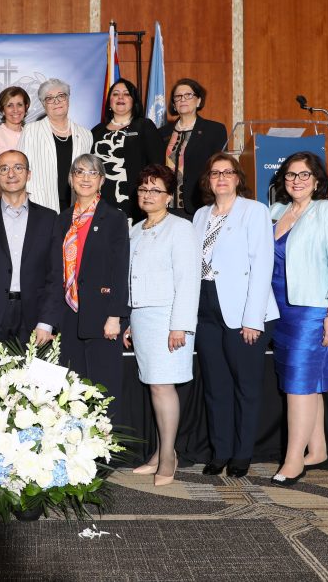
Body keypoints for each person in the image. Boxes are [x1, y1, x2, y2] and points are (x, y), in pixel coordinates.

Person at [268, 151, 328, 486]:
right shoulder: (275, 212)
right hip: (280, 310)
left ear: (317, 180)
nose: (297, 181)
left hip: (314, 311)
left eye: (304, 175)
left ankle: (293, 460)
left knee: (298, 385)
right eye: (291, 175)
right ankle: (317, 450)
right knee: (306, 384)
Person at [192, 154, 278, 479]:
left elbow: (262, 265)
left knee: (246, 388)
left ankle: (242, 454)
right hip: (206, 308)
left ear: (238, 178)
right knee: (216, 387)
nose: (221, 177)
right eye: (215, 173)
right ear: (208, 180)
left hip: (244, 312)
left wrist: (253, 319)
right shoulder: (200, 215)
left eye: (228, 172)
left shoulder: (254, 211)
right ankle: (221, 452)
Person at [123, 164, 200, 487]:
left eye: (155, 190)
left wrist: (179, 325)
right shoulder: (136, 229)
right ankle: (158, 453)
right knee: (154, 386)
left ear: (169, 196)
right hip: (142, 317)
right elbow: (132, 278)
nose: (147, 195)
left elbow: (188, 280)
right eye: (143, 189)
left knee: (162, 387)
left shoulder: (180, 228)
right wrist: (129, 320)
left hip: (169, 318)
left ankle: (168, 457)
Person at [53, 153, 129, 425]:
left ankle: (105, 445)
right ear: (71, 179)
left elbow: (120, 269)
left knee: (104, 389)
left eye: (92, 173)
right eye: (79, 172)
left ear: (102, 180)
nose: (85, 178)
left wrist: (115, 315)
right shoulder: (62, 220)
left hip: (102, 316)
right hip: (69, 314)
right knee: (72, 389)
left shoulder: (115, 218)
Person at [0, 150, 62, 353]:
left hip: (36, 318)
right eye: (4, 169)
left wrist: (47, 322)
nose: (11, 174)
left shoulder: (49, 219)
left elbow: (55, 274)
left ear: (29, 174)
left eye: (18, 168)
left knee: (34, 374)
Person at [91, 79, 164, 222]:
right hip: (100, 201)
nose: (120, 97)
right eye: (115, 94)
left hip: (133, 201)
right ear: (109, 102)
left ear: (133, 101)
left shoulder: (144, 126)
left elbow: (158, 167)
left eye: (126, 94)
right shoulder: (96, 131)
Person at [18, 78, 93, 213]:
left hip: (76, 205)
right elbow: (20, 168)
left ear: (68, 99)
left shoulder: (85, 134)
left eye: (61, 96)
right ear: (43, 104)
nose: (56, 101)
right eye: (49, 98)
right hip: (40, 204)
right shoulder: (31, 131)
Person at [159, 79, 228, 215]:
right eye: (178, 96)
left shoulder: (214, 130)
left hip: (199, 204)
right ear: (174, 104)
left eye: (188, 95)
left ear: (198, 101)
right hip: (166, 205)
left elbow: (221, 167)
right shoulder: (162, 133)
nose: (183, 99)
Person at [0, 86, 30, 202]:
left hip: (33, 199)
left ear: (26, 107)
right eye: (9, 105)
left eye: (19, 104)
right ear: (2, 110)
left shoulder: (31, 134)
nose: (15, 110)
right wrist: (1, 205)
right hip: (5, 201)